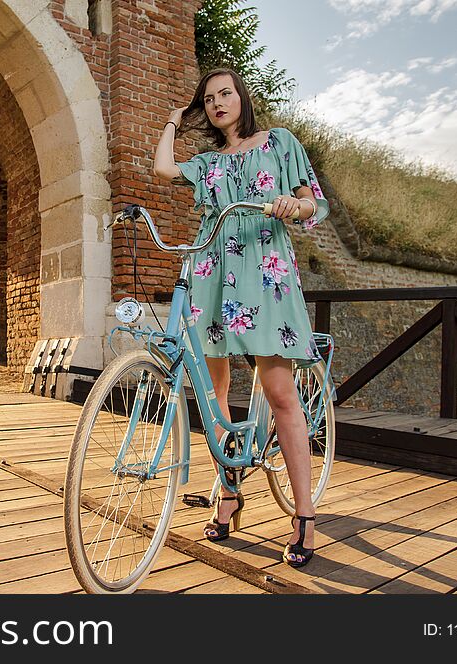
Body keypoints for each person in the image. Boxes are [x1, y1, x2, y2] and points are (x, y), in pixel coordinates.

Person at [152, 68, 329, 568]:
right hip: (213, 270)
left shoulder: (279, 142)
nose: (216, 103)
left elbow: (315, 203)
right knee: (214, 394)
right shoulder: (207, 162)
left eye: (224, 93)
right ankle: (228, 492)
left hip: (265, 270)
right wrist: (172, 121)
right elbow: (164, 169)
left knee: (280, 393)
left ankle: (304, 513)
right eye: (207, 99)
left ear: (241, 97)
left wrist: (294, 205)